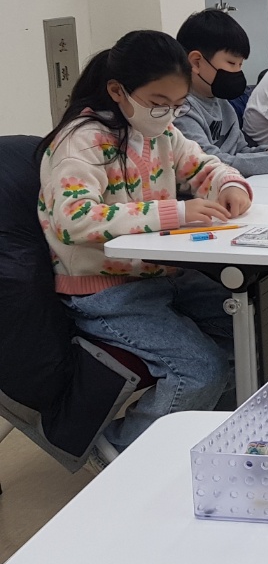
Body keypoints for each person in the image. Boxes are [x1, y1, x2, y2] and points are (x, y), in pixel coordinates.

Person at [36, 30, 253, 449]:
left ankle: (197, 438)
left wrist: (230, 185)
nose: (167, 114)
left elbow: (205, 165)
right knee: (200, 370)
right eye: (157, 102)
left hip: (158, 277)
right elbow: (74, 221)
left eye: (177, 104)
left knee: (248, 334)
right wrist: (177, 212)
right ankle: (125, 449)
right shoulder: (82, 141)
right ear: (118, 91)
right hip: (103, 291)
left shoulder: (162, 134)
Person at [172, 8, 268, 176]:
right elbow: (210, 164)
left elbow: (240, 150)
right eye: (231, 63)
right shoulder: (181, 110)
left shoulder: (222, 103)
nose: (237, 71)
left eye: (240, 64)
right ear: (196, 62)